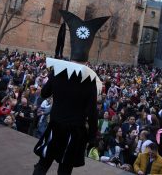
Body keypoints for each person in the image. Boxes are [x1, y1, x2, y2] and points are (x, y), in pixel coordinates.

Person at [33, 10, 109, 175]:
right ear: (86, 59)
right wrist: (91, 136)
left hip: (55, 125)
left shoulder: (58, 72)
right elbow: (92, 112)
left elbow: (45, 93)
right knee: (64, 170)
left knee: (43, 164)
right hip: (74, 132)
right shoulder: (89, 81)